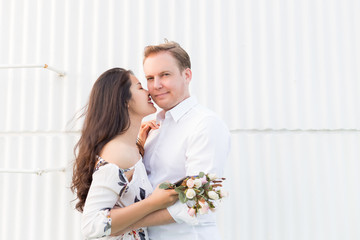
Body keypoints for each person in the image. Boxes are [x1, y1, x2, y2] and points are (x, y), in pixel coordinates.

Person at [134, 41, 232, 239]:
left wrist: (128, 221)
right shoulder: (152, 127)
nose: (156, 85)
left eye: (165, 75)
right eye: (150, 78)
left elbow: (198, 201)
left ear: (187, 75)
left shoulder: (205, 124)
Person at [70, 68, 179, 239]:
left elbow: (126, 189)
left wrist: (139, 145)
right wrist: (153, 203)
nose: (148, 91)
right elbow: (92, 225)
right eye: (140, 87)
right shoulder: (118, 152)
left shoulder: (126, 149)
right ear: (124, 100)